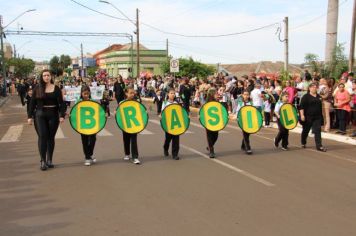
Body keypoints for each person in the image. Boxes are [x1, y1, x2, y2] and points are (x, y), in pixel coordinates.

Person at [27, 69, 66, 170]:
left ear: (51, 77)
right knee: (42, 136)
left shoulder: (56, 88)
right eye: (44, 76)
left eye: (48, 75)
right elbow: (32, 104)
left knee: (51, 137)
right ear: (42, 77)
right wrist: (29, 117)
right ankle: (43, 161)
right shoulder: (37, 88)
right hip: (40, 115)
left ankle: (50, 160)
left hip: (53, 114)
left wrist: (62, 115)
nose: (46, 77)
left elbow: (62, 103)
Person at [300, 83, 327, 152]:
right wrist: (302, 115)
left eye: (315, 87)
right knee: (306, 131)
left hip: (317, 117)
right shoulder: (305, 97)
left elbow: (321, 107)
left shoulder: (318, 96)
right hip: (308, 117)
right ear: (309, 88)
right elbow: (301, 107)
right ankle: (303, 142)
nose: (315, 88)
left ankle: (319, 146)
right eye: (313, 87)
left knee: (318, 131)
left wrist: (323, 116)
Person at [78, 86, 97, 166]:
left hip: (93, 125)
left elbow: (98, 111)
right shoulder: (78, 102)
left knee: (93, 140)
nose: (86, 95)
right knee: (85, 141)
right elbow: (76, 112)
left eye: (87, 93)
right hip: (83, 125)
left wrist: (104, 115)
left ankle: (90, 154)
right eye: (84, 94)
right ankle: (87, 157)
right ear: (81, 94)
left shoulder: (93, 101)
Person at [121, 86, 141, 165]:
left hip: (134, 124)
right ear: (126, 93)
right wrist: (116, 112)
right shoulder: (122, 103)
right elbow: (119, 113)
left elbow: (141, 111)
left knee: (134, 140)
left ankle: (135, 157)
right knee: (126, 139)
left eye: (133, 93)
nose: (132, 94)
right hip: (125, 125)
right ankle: (127, 153)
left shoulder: (137, 102)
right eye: (130, 93)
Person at [162, 88, 180, 160]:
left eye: (174, 93)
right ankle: (165, 148)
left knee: (176, 139)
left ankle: (175, 154)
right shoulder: (165, 103)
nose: (173, 95)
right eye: (171, 93)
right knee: (168, 139)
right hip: (168, 124)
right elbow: (163, 113)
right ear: (168, 94)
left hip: (176, 124)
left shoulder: (176, 103)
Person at [204, 88, 220, 158]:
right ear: (212, 94)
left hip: (216, 122)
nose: (217, 95)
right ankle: (211, 151)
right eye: (216, 93)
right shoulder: (207, 103)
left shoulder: (217, 102)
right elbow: (203, 111)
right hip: (208, 122)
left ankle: (209, 146)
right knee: (209, 137)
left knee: (215, 136)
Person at [236, 90, 253, 155]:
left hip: (249, 120)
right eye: (245, 94)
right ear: (242, 95)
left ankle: (243, 145)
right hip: (243, 121)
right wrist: (238, 118)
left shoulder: (251, 103)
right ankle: (248, 148)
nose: (246, 96)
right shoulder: (240, 103)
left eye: (247, 94)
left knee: (247, 134)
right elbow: (238, 111)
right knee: (245, 134)